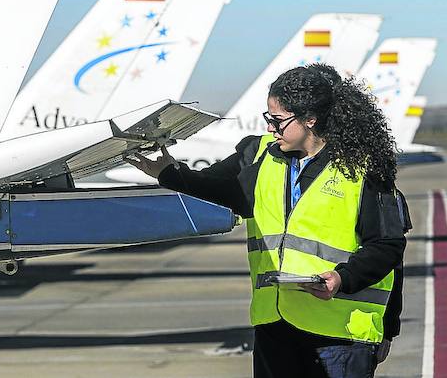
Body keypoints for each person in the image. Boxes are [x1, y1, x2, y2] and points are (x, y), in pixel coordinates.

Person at [126, 63, 411, 377]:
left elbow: (387, 246)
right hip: (276, 327)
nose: (271, 129)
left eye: (277, 121)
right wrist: (170, 174)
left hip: (340, 335)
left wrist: (346, 281)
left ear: (310, 120)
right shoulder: (258, 155)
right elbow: (217, 187)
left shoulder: (362, 170)